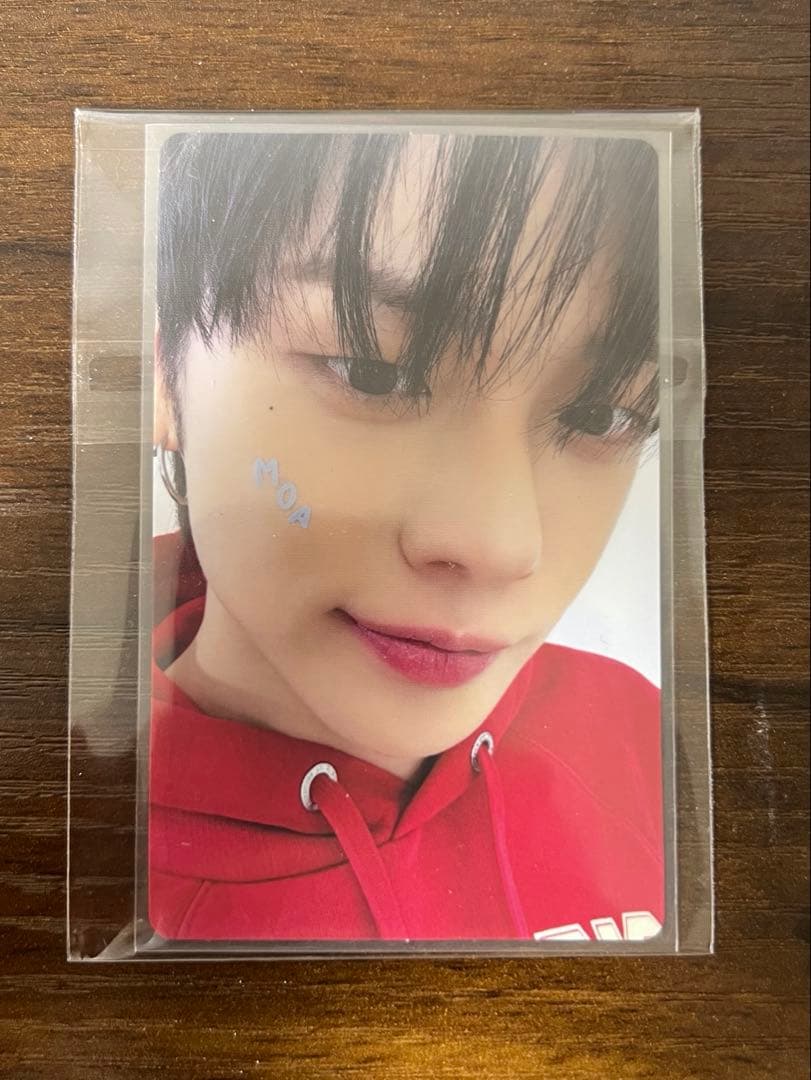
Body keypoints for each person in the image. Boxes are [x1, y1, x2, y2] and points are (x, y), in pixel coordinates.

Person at [149, 128, 664, 943]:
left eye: (600, 413)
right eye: (371, 369)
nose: (499, 545)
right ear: (164, 382)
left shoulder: (640, 733)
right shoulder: (72, 845)